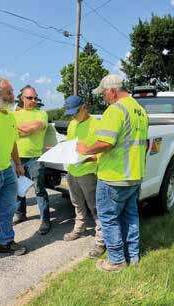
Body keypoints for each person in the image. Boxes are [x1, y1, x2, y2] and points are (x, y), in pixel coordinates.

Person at [77, 74, 149, 272]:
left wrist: (85, 150)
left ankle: (116, 260)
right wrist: (96, 157)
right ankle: (133, 256)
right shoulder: (140, 110)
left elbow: (106, 142)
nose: (103, 98)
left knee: (109, 219)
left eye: (104, 94)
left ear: (112, 91)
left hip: (114, 177)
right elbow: (126, 145)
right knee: (131, 216)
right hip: (134, 175)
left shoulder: (115, 110)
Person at [0, 77, 27, 270]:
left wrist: (17, 163)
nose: (12, 96)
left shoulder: (10, 115)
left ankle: (6, 242)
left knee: (8, 209)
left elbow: (13, 141)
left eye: (11, 91)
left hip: (7, 171)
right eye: (8, 93)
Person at [63, 96, 105, 258]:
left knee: (95, 207)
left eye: (75, 112)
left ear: (84, 107)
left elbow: (102, 151)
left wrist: (88, 158)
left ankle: (101, 240)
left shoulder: (97, 124)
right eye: (70, 114)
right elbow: (70, 145)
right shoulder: (72, 124)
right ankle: (79, 229)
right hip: (72, 171)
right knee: (77, 204)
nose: (73, 116)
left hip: (88, 172)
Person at [13, 85, 50, 235]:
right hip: (17, 158)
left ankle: (45, 220)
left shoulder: (42, 113)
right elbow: (9, 132)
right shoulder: (14, 115)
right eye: (29, 98)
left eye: (35, 98)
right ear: (22, 98)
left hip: (35, 158)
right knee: (18, 189)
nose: (33, 100)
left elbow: (33, 128)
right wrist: (20, 130)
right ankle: (20, 214)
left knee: (39, 190)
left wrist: (19, 130)